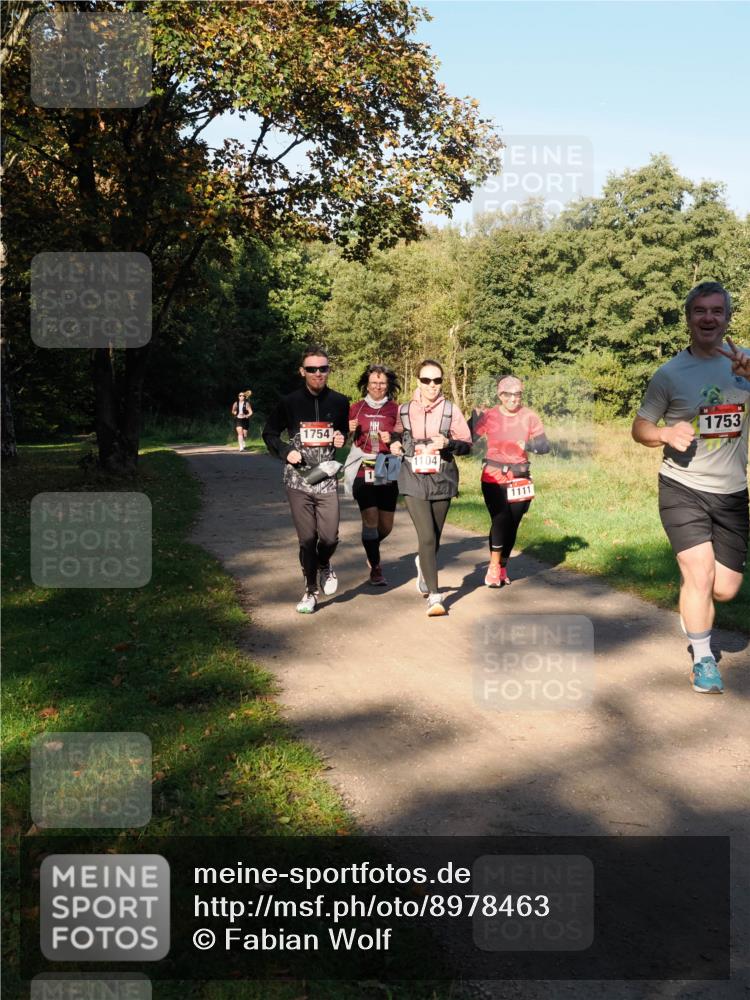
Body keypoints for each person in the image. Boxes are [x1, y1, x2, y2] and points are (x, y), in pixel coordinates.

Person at [632, 281, 749, 693]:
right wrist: (663, 435)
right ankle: (703, 659)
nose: (708, 318)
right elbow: (640, 427)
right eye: (700, 311)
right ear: (688, 318)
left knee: (725, 588)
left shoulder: (745, 362)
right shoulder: (669, 374)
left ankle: (693, 609)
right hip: (682, 487)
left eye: (716, 311)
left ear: (727, 317)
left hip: (733, 492)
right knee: (698, 575)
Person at [262, 346, 349, 614]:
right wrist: (287, 451)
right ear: (302, 372)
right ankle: (310, 591)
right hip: (298, 480)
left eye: (323, 368)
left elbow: (344, 432)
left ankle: (324, 564)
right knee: (307, 539)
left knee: (330, 538)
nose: (318, 373)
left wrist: (341, 438)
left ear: (328, 370)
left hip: (326, 479)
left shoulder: (340, 401)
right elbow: (270, 433)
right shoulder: (289, 402)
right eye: (312, 369)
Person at [390, 359, 472, 616]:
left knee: (434, 537)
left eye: (437, 380)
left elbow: (467, 446)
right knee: (425, 536)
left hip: (443, 476)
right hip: (412, 476)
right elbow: (396, 434)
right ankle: (435, 596)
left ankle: (424, 567)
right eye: (426, 380)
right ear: (418, 382)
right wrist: (394, 444)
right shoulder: (404, 410)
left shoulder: (451, 410)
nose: (432, 385)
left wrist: (448, 443)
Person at [473, 375, 550, 587]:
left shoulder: (530, 417)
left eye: (518, 395)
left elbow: (545, 446)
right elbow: (469, 439)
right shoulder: (489, 416)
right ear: (501, 395)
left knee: (513, 523)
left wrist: (529, 446)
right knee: (500, 518)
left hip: (520, 477)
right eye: (510, 395)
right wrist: (472, 418)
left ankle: (503, 565)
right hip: (493, 475)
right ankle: (493, 567)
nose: (515, 399)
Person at [345, 365, 402, 586]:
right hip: (362, 465)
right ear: (366, 385)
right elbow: (342, 435)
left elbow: (402, 435)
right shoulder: (356, 408)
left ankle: (370, 545)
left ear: (388, 385)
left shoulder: (395, 409)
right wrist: (348, 429)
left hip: (388, 464)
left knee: (385, 525)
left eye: (382, 383)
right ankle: (376, 567)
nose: (377, 386)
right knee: (370, 518)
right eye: (373, 383)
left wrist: (393, 437)